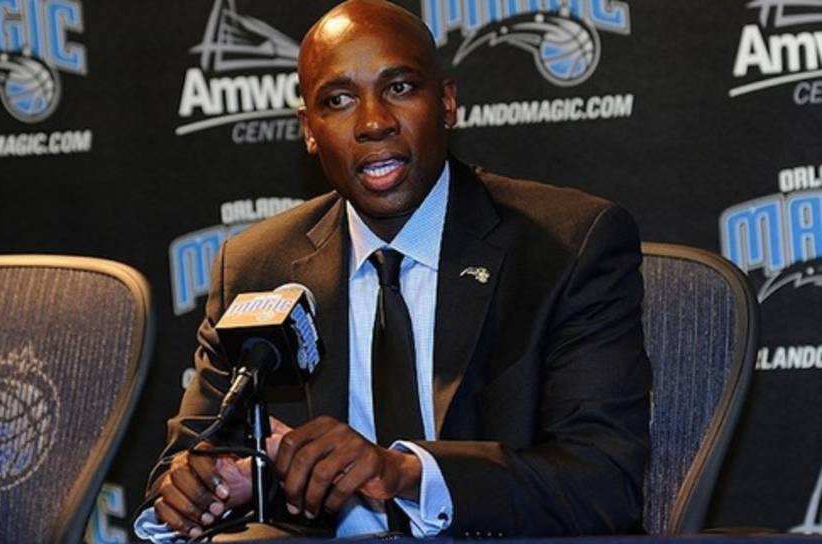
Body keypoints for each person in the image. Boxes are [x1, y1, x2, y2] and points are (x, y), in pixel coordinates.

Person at [136, 0, 651, 540]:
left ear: (447, 102)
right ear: (308, 129)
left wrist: (404, 472)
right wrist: (206, 487)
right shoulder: (256, 266)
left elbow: (604, 482)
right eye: (338, 100)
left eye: (400, 88)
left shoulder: (566, 246)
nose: (374, 123)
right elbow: (181, 470)